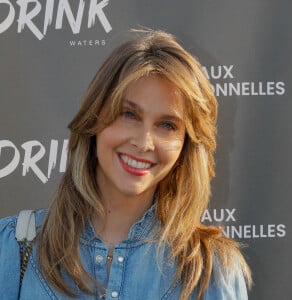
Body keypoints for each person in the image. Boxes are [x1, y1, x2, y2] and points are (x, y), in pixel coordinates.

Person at [0, 29, 251, 299]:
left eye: (167, 125)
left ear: (185, 146)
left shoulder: (213, 271)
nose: (144, 142)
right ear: (94, 119)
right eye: (129, 114)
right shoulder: (14, 246)